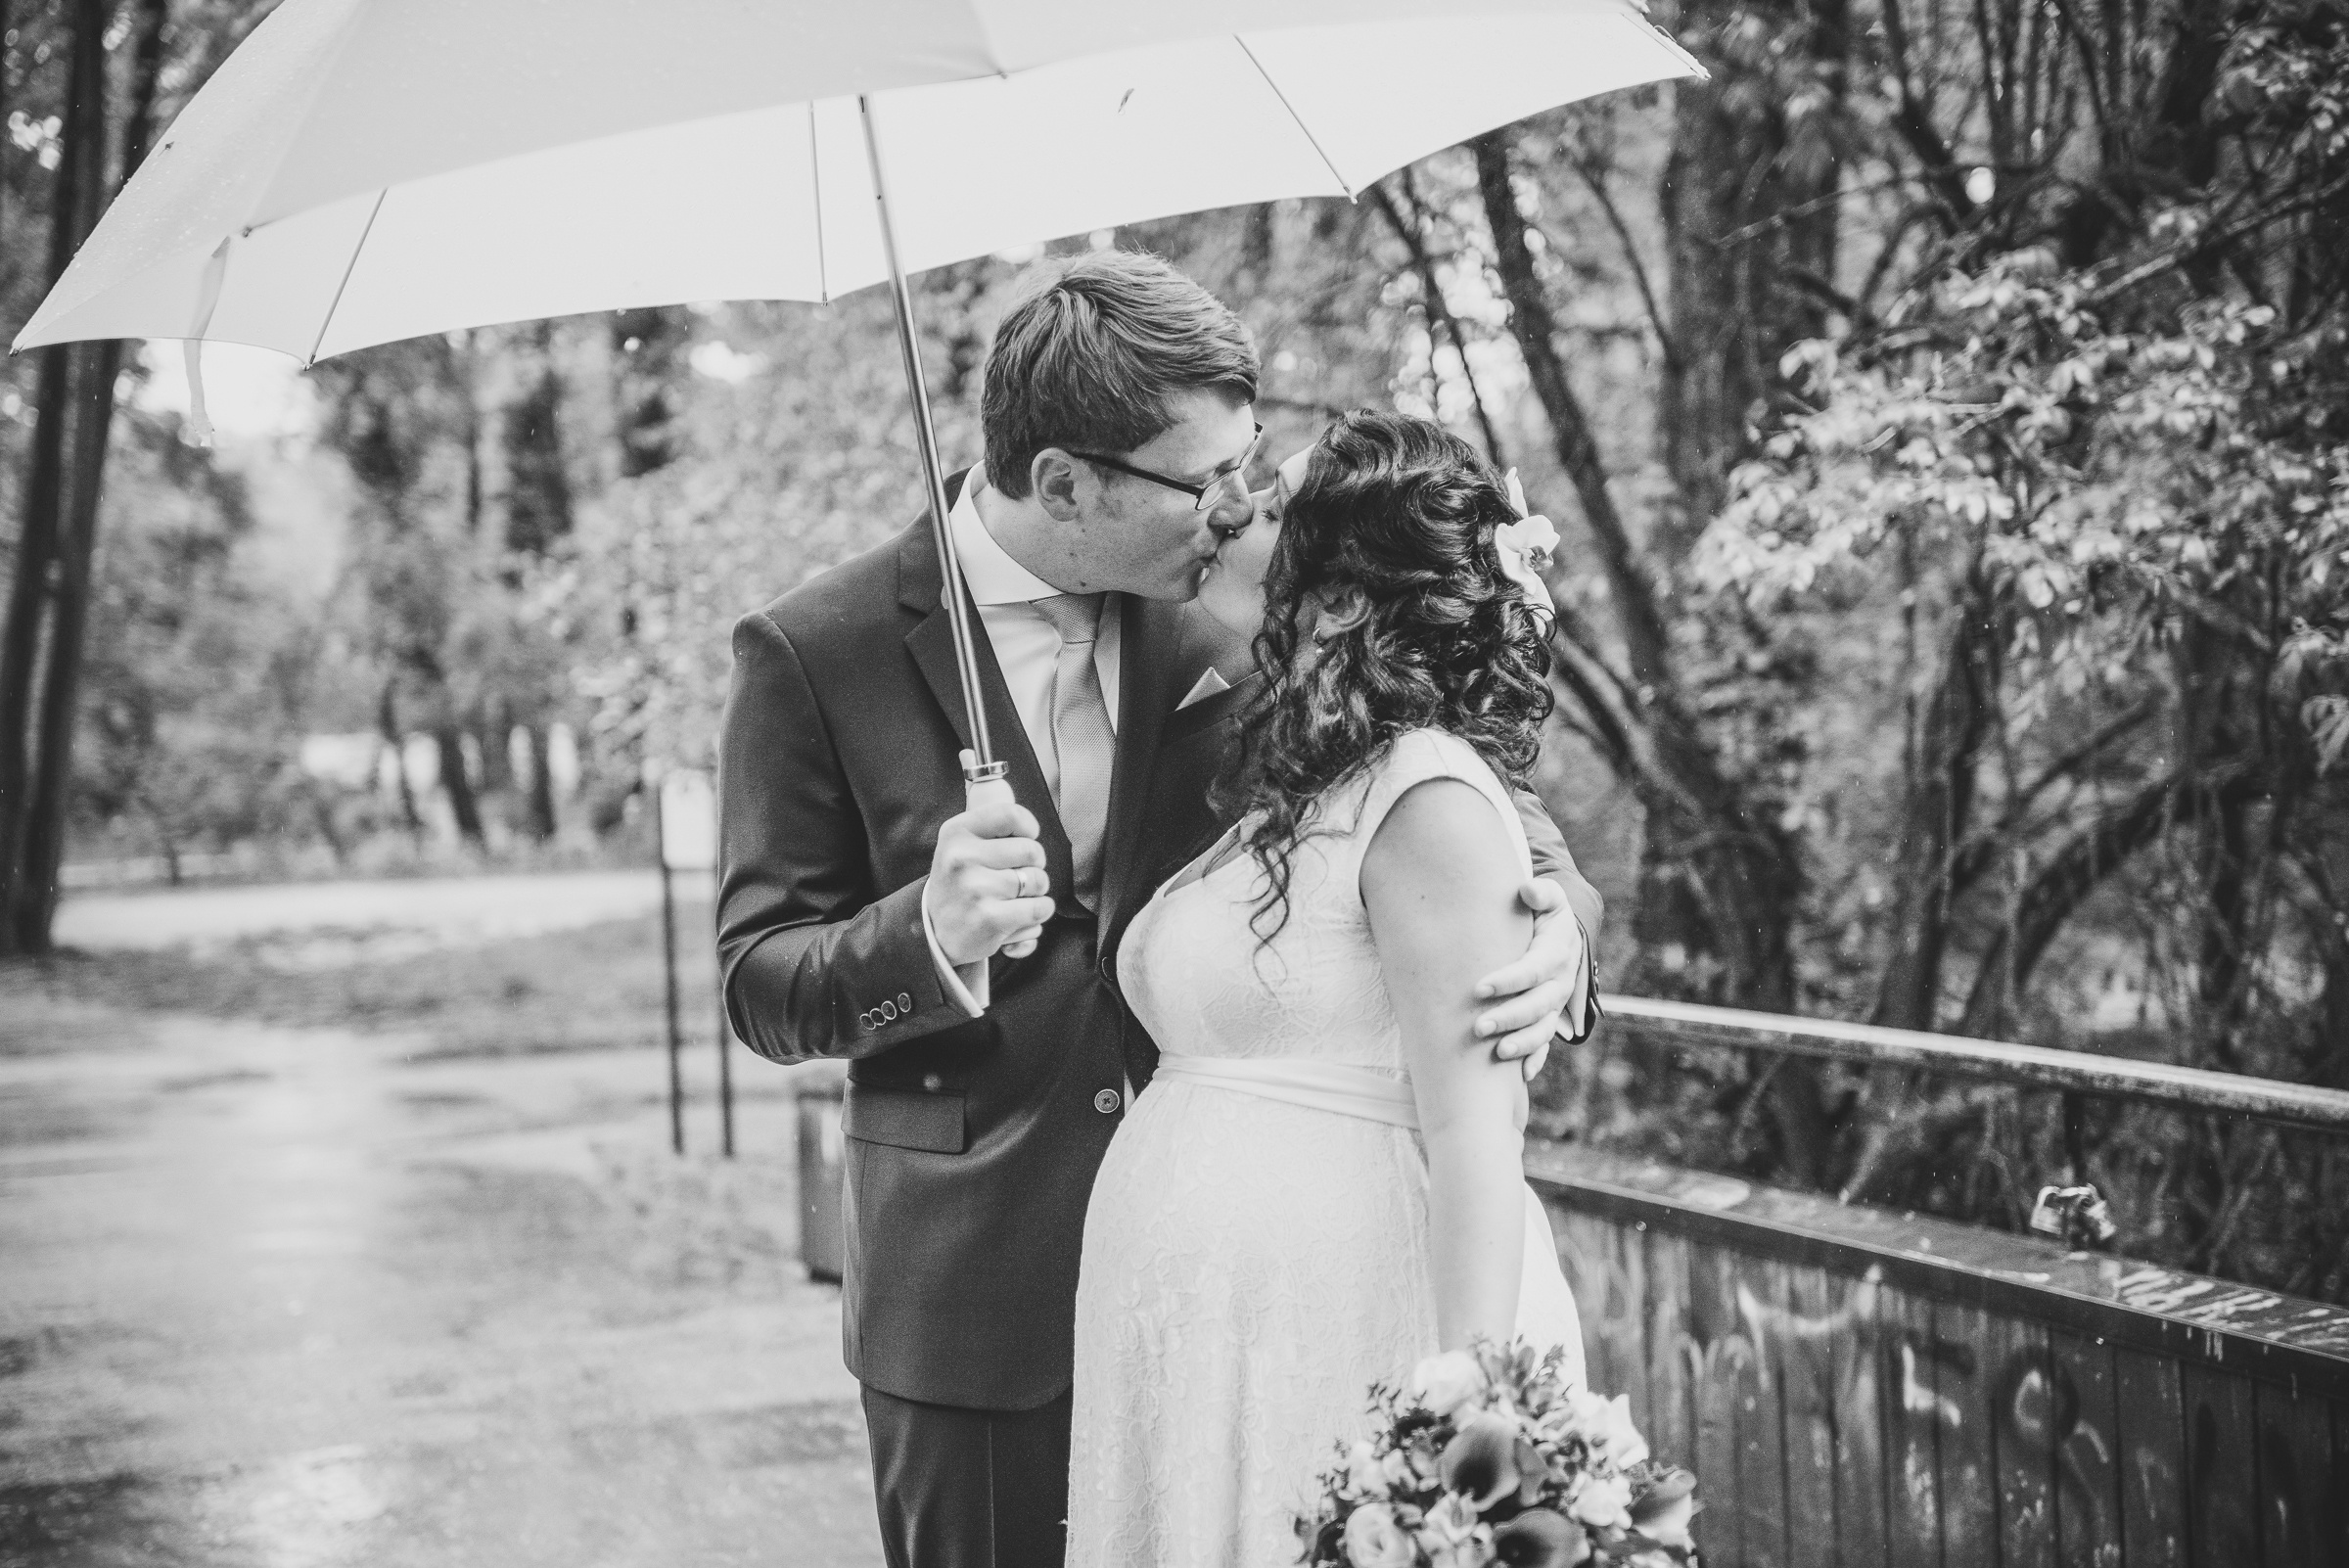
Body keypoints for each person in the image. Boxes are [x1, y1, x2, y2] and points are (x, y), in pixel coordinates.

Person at [715, 254, 1600, 1568]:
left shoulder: (1242, 612)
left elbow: (1458, 801)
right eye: (1209, 480)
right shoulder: (814, 651)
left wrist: (1564, 927)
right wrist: (927, 934)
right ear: (1068, 484)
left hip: (1261, 1306)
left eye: (1250, 465)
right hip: (975, 1300)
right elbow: (760, 979)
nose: (1239, 505)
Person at [1065, 411, 1588, 1567]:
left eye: (1269, 499)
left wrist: (1466, 1425)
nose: (1229, 506)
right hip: (1217, 1351)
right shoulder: (1301, 772)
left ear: (1344, 597)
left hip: (1339, 1322)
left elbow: (1475, 1141)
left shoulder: (1427, 793)